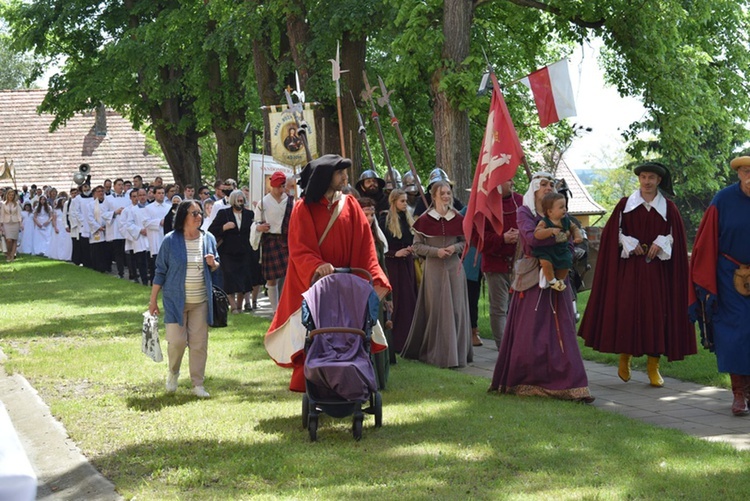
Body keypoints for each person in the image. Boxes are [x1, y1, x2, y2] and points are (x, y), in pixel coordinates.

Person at [265, 154, 391, 392]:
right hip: (316, 287)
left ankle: (352, 376)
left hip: (346, 283)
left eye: (345, 172)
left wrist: (373, 275)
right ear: (326, 177)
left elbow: (365, 246)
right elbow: (300, 248)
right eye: (340, 173)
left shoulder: (351, 204)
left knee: (350, 333)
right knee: (314, 333)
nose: (345, 177)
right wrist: (316, 265)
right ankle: (316, 380)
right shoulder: (303, 208)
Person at [579, 162, 695, 387]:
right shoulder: (625, 205)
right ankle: (625, 358)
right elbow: (614, 232)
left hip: (658, 272)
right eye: (643, 177)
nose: (647, 181)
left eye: (651, 177)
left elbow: (676, 238)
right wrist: (627, 241)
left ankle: (653, 366)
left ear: (658, 181)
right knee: (628, 312)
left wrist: (663, 242)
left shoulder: (669, 208)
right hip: (630, 270)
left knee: (657, 314)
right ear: (639, 179)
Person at [489, 172, 593, 402]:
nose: (548, 187)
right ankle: (527, 381)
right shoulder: (524, 211)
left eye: (551, 184)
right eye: (543, 184)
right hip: (532, 278)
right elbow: (531, 239)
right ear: (534, 188)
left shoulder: (559, 210)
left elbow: (570, 239)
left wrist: (561, 241)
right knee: (531, 330)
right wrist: (558, 237)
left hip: (559, 276)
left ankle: (570, 384)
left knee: (562, 329)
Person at [690, 156, 750, 415]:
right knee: (735, 332)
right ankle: (739, 393)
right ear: (738, 174)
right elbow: (706, 240)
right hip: (729, 276)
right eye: (746, 171)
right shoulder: (722, 200)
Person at [149, 200, 220, 398]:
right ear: (183, 217)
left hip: (200, 302)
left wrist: (213, 263)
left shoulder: (208, 238)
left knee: (199, 344)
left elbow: (216, 264)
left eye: (199, 213)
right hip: (175, 301)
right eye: (194, 213)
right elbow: (160, 271)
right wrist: (153, 300)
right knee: (177, 342)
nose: (199, 217)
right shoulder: (170, 241)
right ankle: (173, 372)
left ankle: (197, 384)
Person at [401, 180, 473, 368]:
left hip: (454, 268)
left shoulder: (458, 218)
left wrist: (453, 247)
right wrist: (436, 252)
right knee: (436, 310)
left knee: (456, 310)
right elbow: (416, 246)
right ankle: (437, 354)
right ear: (434, 196)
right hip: (433, 269)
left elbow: (465, 243)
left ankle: (457, 355)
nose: (446, 197)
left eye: (448, 193)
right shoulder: (424, 220)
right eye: (442, 193)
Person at [482, 179, 522, 349]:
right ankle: (504, 348)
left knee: (518, 309)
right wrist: (502, 238)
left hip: (519, 265)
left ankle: (518, 347)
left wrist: (522, 234)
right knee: (499, 309)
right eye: (507, 179)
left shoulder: (521, 201)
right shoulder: (485, 204)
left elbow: (531, 227)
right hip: (496, 265)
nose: (512, 182)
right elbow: (480, 238)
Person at [378, 188, 418, 354]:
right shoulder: (384, 220)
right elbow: (381, 247)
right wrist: (395, 254)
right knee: (397, 300)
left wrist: (411, 249)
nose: (405, 204)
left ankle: (409, 340)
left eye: (406, 201)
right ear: (393, 202)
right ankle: (394, 340)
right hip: (393, 265)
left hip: (407, 264)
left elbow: (410, 238)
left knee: (409, 300)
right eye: (402, 201)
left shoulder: (407, 219)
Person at [251, 171, 293, 313]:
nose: (281, 190)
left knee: (290, 274)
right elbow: (255, 222)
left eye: (283, 186)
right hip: (271, 241)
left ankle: (288, 307)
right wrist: (259, 227)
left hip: (287, 240)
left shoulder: (291, 201)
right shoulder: (263, 203)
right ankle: (276, 311)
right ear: (272, 186)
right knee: (271, 278)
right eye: (279, 187)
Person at [209, 190, 254, 313]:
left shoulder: (249, 214)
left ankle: (240, 306)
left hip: (244, 251)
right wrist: (224, 227)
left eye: (242, 201)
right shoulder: (224, 214)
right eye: (238, 200)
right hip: (228, 252)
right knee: (229, 277)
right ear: (233, 201)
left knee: (243, 278)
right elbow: (211, 230)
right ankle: (233, 306)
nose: (240, 203)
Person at [532, 192, 583, 292]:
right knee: (545, 262)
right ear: (550, 212)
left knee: (567, 261)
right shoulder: (544, 221)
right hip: (547, 250)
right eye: (561, 207)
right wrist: (550, 231)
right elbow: (537, 233)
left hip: (562, 249)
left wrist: (578, 236)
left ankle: (560, 280)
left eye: (565, 206)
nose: (565, 209)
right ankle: (551, 280)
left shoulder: (566, 220)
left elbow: (574, 228)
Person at [123, 188, 151, 285]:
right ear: (138, 197)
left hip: (151, 237)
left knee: (151, 262)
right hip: (139, 238)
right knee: (141, 261)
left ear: (147, 196)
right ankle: (144, 281)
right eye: (140, 195)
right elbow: (129, 224)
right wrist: (140, 230)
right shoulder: (133, 210)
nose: (142, 197)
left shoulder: (151, 208)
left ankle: (153, 282)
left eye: (144, 195)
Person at [48, 196, 72, 261]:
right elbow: (54, 220)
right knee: (59, 241)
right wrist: (55, 227)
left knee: (66, 241)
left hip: (65, 226)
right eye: (63, 202)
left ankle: (66, 255)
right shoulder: (56, 210)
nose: (64, 203)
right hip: (59, 226)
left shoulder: (68, 210)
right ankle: (58, 254)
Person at [1, 189, 22, 262]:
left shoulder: (17, 203)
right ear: (7, 195)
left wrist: (20, 223)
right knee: (8, 240)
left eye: (12, 195)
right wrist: (1, 224)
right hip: (6, 223)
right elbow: (2, 215)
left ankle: (12, 256)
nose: (11, 196)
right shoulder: (3, 204)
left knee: (14, 240)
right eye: (10, 195)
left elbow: (19, 214)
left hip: (15, 222)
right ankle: (8, 253)